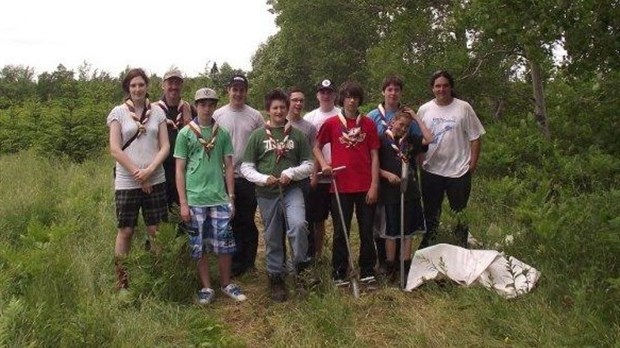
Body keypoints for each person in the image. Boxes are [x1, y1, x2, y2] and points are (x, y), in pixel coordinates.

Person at [174, 87, 247, 304]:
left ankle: (226, 283)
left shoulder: (222, 133)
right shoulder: (185, 133)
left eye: (211, 104)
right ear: (196, 106)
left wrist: (231, 197)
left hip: (218, 198)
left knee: (224, 243)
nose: (206, 108)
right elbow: (179, 169)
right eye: (202, 104)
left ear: (215, 106)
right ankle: (206, 287)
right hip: (195, 198)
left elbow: (229, 165)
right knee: (199, 245)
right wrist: (183, 203)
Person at [241, 89, 314, 302]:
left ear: (287, 108)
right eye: (275, 107)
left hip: (292, 191)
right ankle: (276, 277)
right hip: (266, 194)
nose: (279, 110)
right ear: (268, 110)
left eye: (283, 107)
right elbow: (246, 167)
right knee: (273, 235)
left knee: (299, 225)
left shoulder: (297, 135)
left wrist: (291, 173)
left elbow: (309, 164)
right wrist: (263, 178)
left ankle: (301, 270)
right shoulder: (257, 136)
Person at [107, 68, 170, 290]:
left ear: (147, 86)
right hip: (127, 181)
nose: (137, 89)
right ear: (127, 88)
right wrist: (138, 173)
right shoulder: (118, 113)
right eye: (133, 85)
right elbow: (115, 149)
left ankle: (159, 277)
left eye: (141, 84)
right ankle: (122, 281)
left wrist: (150, 170)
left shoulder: (158, 113)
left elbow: (165, 146)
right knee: (126, 230)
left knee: (156, 231)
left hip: (155, 178)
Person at [313, 81, 380, 285]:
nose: (352, 100)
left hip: (365, 186)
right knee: (341, 231)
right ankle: (339, 272)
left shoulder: (368, 124)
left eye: (356, 97)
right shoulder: (332, 123)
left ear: (360, 99)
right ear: (342, 99)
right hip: (340, 186)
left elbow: (375, 156)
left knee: (366, 230)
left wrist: (375, 185)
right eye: (348, 96)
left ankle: (367, 269)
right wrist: (324, 164)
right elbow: (316, 146)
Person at [418, 70, 486, 248]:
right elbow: (418, 138)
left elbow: (475, 137)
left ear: (451, 87)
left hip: (459, 170)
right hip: (431, 169)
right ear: (432, 88)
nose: (442, 89)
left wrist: (472, 163)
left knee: (459, 213)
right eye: (438, 86)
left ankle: (460, 246)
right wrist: (420, 162)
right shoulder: (425, 109)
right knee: (431, 213)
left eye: (445, 85)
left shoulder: (463, 108)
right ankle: (430, 245)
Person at [213, 74, 265, 276]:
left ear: (246, 91)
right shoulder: (218, 115)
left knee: (248, 220)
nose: (238, 93)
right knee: (229, 220)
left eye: (241, 89)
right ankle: (233, 263)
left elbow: (263, 143)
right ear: (228, 90)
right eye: (234, 89)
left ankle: (249, 262)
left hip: (248, 176)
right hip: (224, 176)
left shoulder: (255, 116)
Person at [378, 109, 432, 281]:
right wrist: (386, 175)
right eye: (401, 124)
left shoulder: (412, 141)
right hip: (389, 193)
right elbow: (372, 165)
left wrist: (416, 118)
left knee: (407, 231)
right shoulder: (381, 140)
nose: (403, 128)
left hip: (410, 192)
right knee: (391, 232)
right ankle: (390, 267)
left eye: (407, 126)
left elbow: (430, 139)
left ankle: (405, 267)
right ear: (392, 122)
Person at [303, 79, 341, 260]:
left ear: (334, 95)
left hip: (338, 176)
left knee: (340, 220)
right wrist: (313, 172)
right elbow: (309, 147)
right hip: (317, 176)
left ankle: (339, 257)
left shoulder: (341, 115)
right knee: (317, 219)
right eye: (322, 92)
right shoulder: (310, 118)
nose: (326, 95)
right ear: (317, 95)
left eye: (329, 92)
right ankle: (317, 255)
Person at [286, 87, 317, 260]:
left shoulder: (309, 127)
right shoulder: (278, 124)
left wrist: (315, 175)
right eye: (294, 100)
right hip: (282, 181)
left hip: (304, 180)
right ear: (287, 102)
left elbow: (315, 151)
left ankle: (308, 258)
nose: (298, 103)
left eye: (301, 100)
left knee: (306, 220)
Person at [157, 69, 193, 212]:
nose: (174, 86)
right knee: (162, 213)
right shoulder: (154, 109)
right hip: (161, 169)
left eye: (177, 83)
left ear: (181, 85)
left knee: (183, 210)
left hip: (184, 169)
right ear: (163, 85)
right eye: (170, 82)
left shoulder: (190, 108)